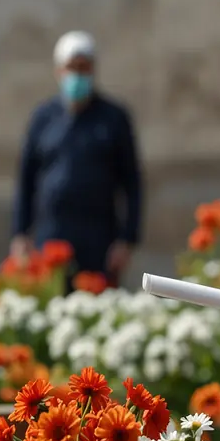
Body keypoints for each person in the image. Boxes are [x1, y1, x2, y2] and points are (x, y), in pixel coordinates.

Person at [10, 30, 142, 286]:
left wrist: (127, 239)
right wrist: (20, 233)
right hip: (52, 236)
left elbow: (132, 183)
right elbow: (26, 179)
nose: (77, 75)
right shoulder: (43, 118)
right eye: (72, 68)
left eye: (84, 68)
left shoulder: (113, 119)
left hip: (99, 238)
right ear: (59, 71)